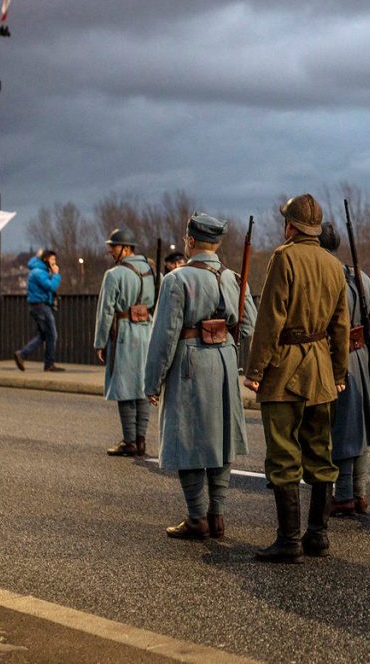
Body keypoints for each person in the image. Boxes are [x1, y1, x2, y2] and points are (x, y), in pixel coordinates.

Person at [245, 195, 349, 563]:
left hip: (285, 370)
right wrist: (338, 373)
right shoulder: (335, 265)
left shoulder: (284, 257)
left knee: (284, 454)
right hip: (321, 369)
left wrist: (256, 370)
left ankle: (289, 541)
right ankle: (318, 536)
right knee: (321, 452)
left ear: (290, 226)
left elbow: (270, 319)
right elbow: (341, 327)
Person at [145, 212, 253, 540]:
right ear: (217, 243)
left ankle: (196, 518)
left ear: (191, 241)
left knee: (188, 438)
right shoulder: (234, 277)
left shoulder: (177, 280)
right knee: (220, 438)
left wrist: (153, 381)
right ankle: (217, 515)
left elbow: (164, 336)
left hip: (189, 362)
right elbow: (248, 327)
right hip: (224, 362)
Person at [317, 222, 370, 517]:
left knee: (343, 428)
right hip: (357, 355)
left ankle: (344, 494)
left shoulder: (324, 275)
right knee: (355, 426)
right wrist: (360, 326)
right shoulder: (355, 275)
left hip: (334, 356)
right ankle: (358, 493)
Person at [93, 228, 157, 458]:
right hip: (146, 331)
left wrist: (100, 342)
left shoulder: (114, 274)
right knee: (143, 386)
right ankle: (141, 440)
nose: (110, 250)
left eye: (114, 246)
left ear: (126, 248)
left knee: (125, 387)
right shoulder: (151, 270)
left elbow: (105, 311)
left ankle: (129, 441)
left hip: (124, 334)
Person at [14, 249, 64, 372]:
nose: (54, 262)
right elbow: (50, 286)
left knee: (43, 335)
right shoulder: (38, 272)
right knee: (52, 334)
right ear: (46, 259)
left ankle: (23, 354)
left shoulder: (39, 270)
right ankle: (48, 364)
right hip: (41, 306)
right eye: (52, 259)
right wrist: (56, 275)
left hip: (38, 306)